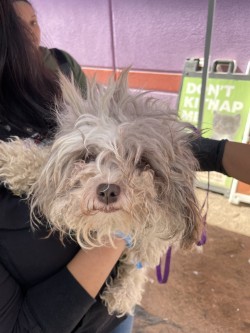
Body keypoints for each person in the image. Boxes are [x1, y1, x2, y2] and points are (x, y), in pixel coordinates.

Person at [0, 1, 250, 332]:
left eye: (34, 21)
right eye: (19, 26)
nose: (32, 33)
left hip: (116, 314)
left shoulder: (57, 67)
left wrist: (220, 154)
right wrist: (117, 236)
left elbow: (124, 132)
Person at [13, 0, 87, 98]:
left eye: (33, 22)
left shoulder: (64, 60)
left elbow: (89, 104)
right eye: (20, 26)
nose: (30, 32)